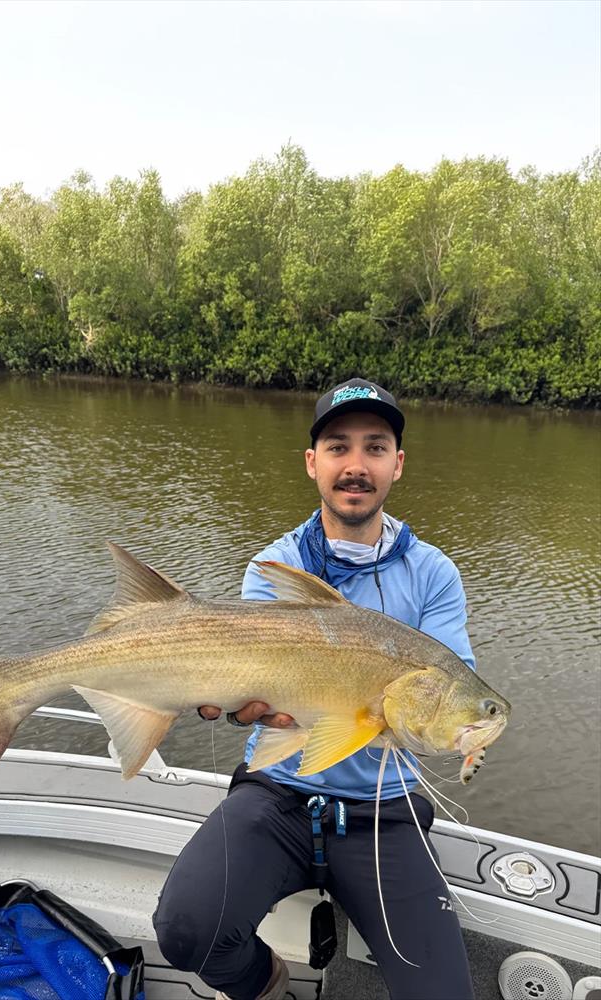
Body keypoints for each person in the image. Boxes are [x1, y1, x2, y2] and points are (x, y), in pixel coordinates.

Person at [152, 378, 476, 1000]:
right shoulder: (273, 566)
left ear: (397, 464)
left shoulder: (433, 573)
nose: (356, 466)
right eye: (337, 446)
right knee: (187, 929)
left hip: (384, 810)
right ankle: (267, 984)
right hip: (278, 792)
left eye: (375, 447)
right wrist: (239, 702)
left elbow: (446, 701)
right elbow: (254, 700)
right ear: (312, 462)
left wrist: (454, 730)